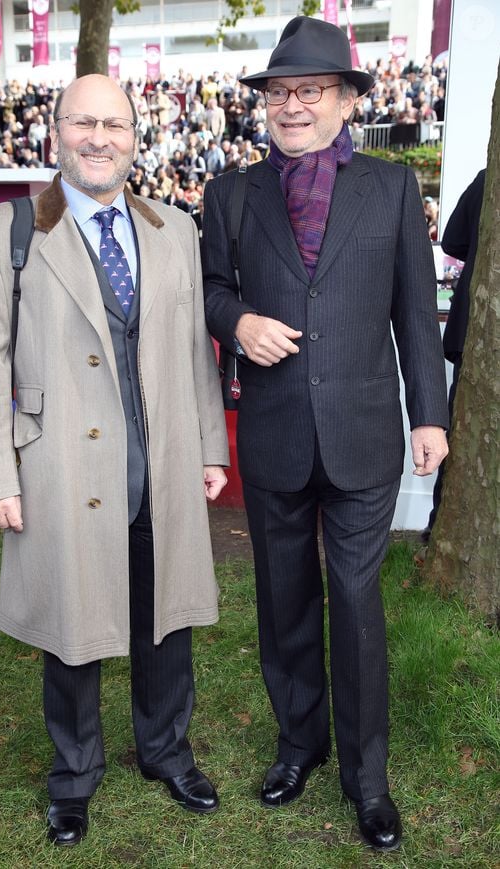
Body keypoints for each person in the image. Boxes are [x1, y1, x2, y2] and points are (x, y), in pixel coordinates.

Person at [0, 74, 229, 848]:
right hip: (63, 467)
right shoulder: (4, 231)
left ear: (135, 137)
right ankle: (73, 776)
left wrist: (209, 444)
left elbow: (192, 352)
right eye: (83, 122)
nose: (98, 137)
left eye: (113, 124)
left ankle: (167, 751)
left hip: (162, 459)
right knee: (72, 622)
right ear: (56, 133)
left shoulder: (175, 228)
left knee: (166, 613)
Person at [202, 17, 449, 852]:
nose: (292, 106)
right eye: (279, 92)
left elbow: (416, 312)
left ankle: (367, 779)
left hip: (363, 431)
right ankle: (298, 745)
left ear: (346, 99)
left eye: (310, 90)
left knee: (354, 599)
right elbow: (209, 289)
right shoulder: (230, 194)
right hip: (273, 430)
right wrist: (239, 324)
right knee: (283, 602)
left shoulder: (387, 188)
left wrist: (433, 417)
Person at [423, 169, 486, 541]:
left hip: (472, 329)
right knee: (459, 435)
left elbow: (453, 241)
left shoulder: (486, 177)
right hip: (475, 331)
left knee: (460, 433)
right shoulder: (486, 178)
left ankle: (437, 531)